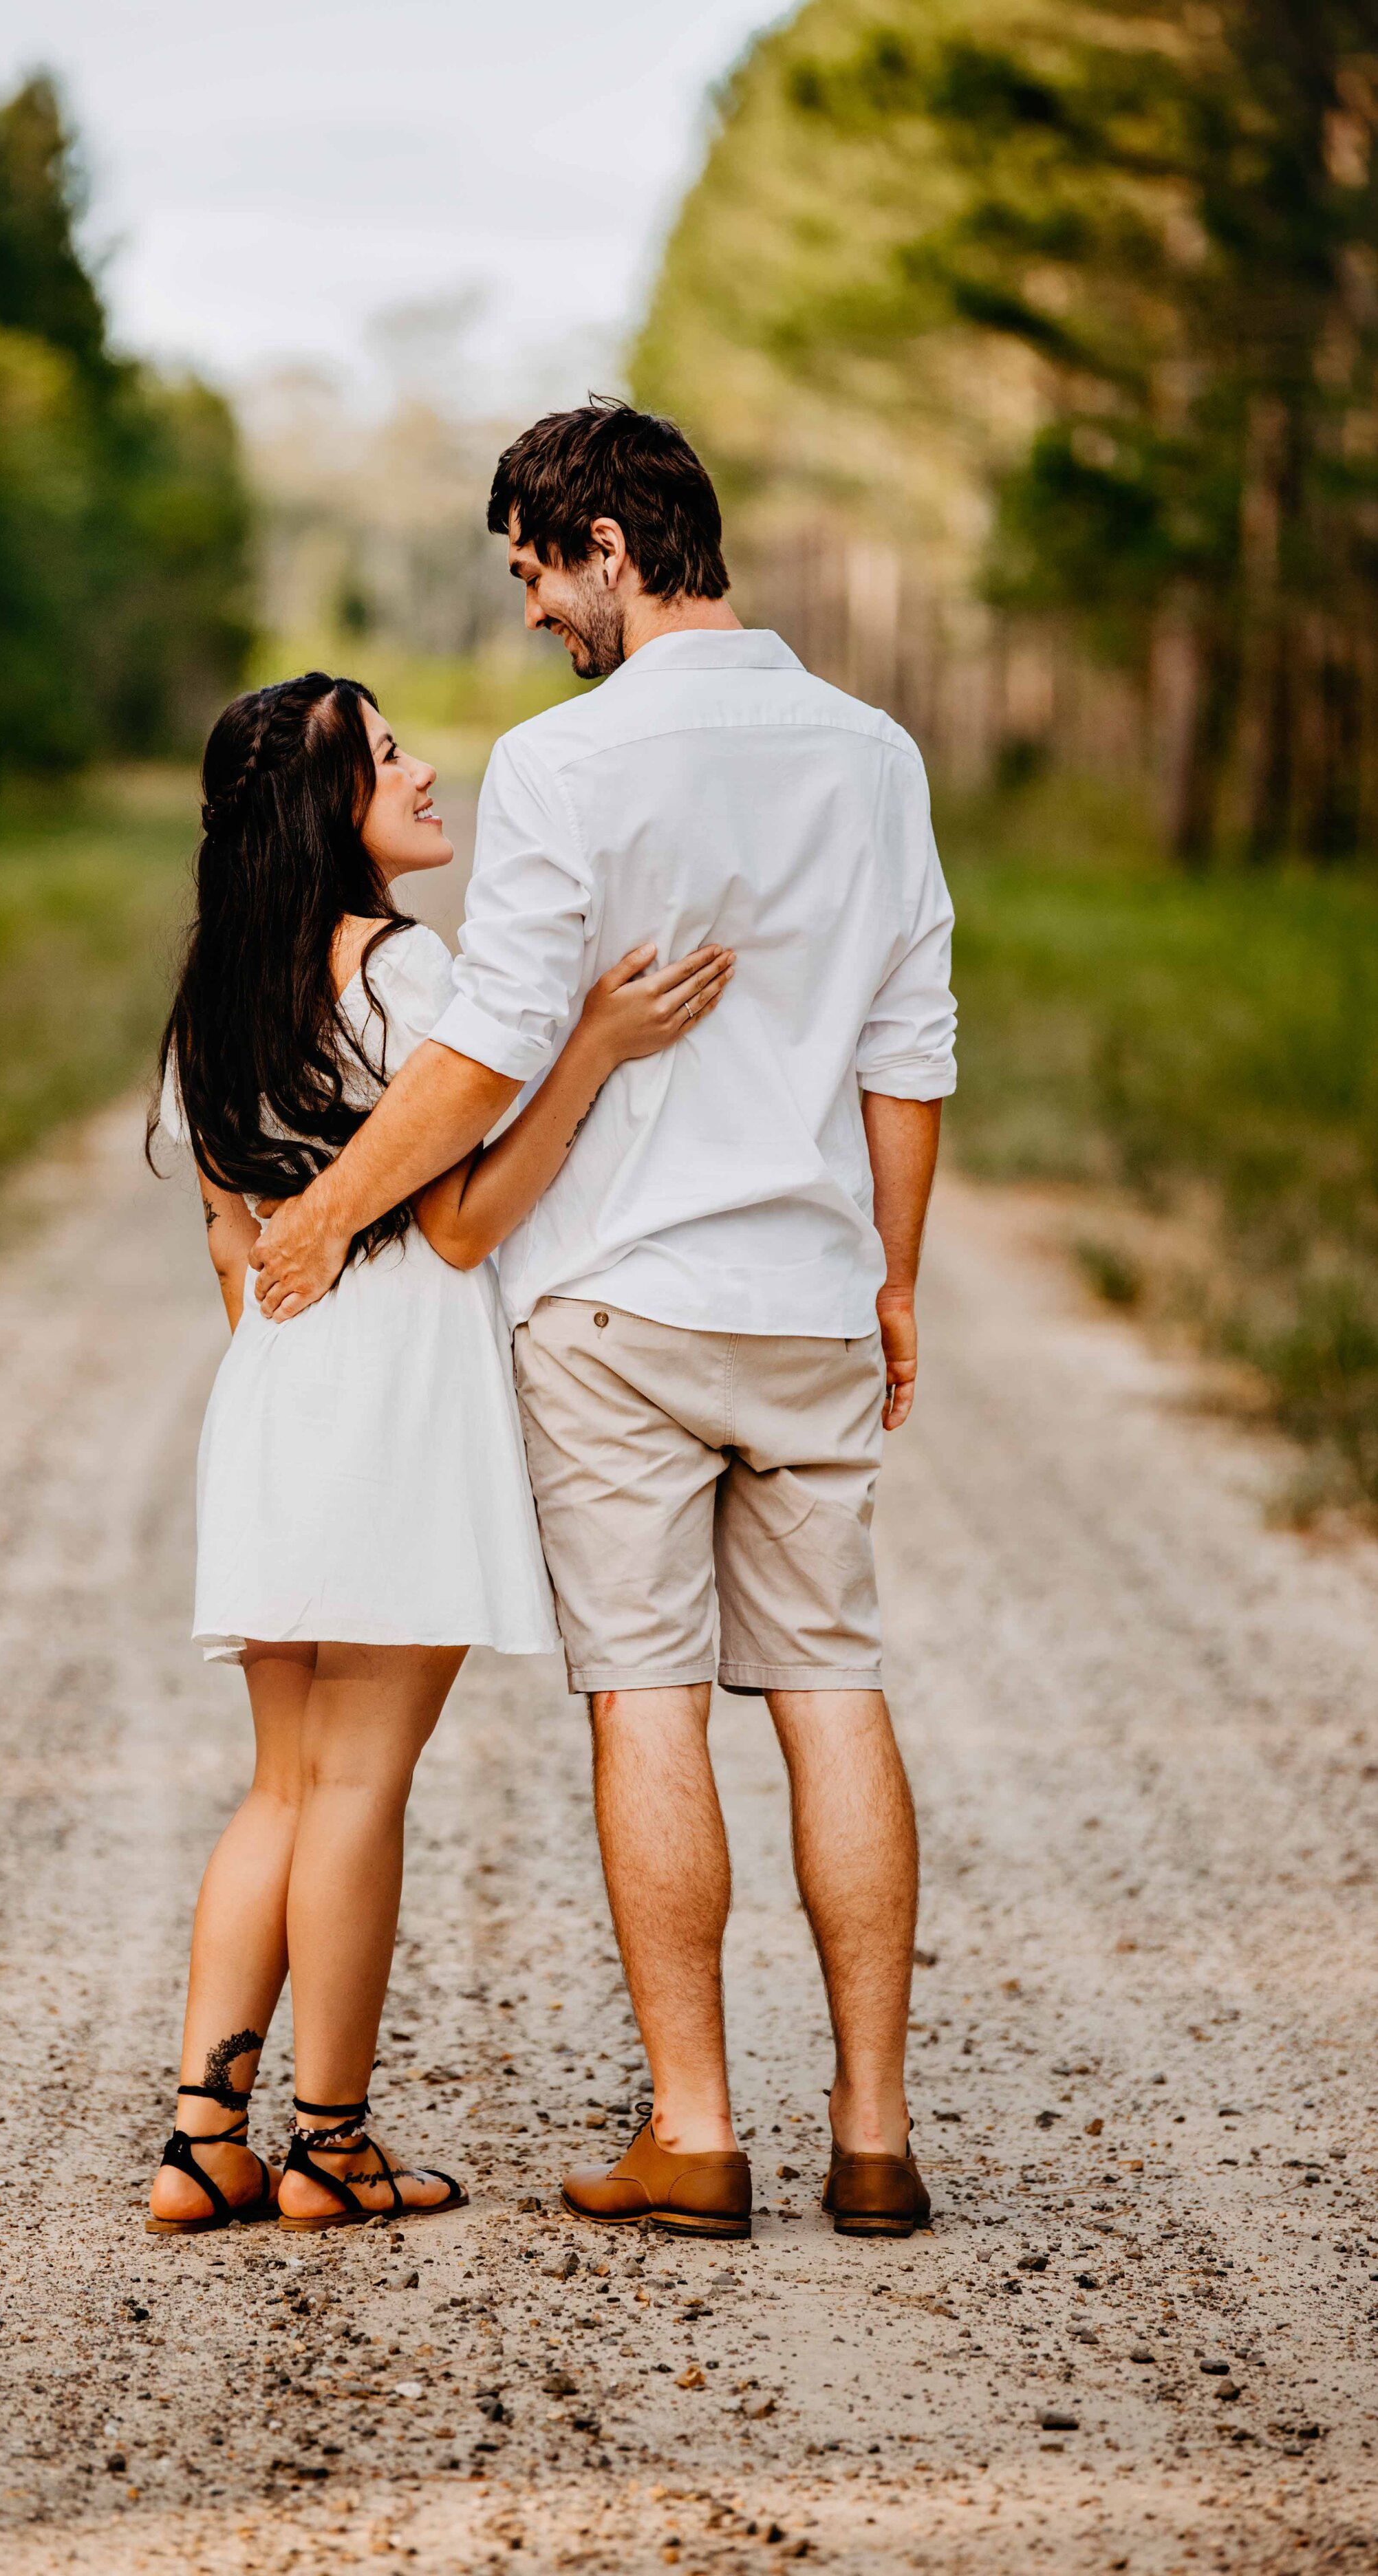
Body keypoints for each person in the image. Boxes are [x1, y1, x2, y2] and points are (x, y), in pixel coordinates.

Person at [246, 402, 957, 2244]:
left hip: (618, 1309)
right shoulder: (873, 755)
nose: (534, 612)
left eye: (533, 571)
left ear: (610, 549)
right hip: (803, 1295)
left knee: (646, 1697)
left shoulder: (566, 767)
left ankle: (696, 2131)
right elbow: (907, 1048)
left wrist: (322, 1215)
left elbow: (485, 1051)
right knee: (832, 1687)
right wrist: (889, 1277)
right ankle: (871, 2137)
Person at [145, 667, 733, 2234]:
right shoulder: (408, 975)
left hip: (271, 1394)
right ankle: (327, 2147)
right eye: (385, 758)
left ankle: (205, 2137)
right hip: (396, 1393)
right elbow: (461, 1224)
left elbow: (231, 1246)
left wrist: (294, 1381)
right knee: (361, 1787)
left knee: (279, 1784)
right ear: (325, 812)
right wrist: (590, 1051)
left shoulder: (211, 997)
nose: (420, 774)